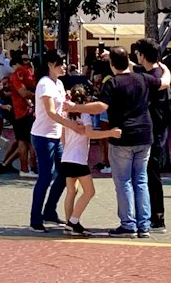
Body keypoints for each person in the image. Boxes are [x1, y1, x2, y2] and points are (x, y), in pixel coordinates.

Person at [78, 46, 168, 239]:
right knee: (141, 180)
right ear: (129, 61)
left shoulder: (113, 83)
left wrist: (76, 107)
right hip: (145, 135)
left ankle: (128, 224)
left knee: (124, 182)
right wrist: (165, 68)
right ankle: (144, 224)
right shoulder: (143, 78)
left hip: (122, 137)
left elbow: (101, 106)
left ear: (112, 65)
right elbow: (164, 83)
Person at [51, 82, 122, 234]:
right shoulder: (85, 115)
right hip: (78, 159)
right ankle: (74, 221)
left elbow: (63, 139)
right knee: (89, 192)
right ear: (85, 100)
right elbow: (90, 134)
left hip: (67, 157)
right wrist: (110, 133)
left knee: (71, 191)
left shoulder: (66, 115)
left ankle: (69, 224)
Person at [133, 39, 171, 231]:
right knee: (150, 173)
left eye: (138, 53)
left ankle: (157, 216)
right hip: (159, 129)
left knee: (151, 173)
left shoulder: (150, 78)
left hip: (153, 131)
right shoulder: (156, 72)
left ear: (142, 55)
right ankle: (154, 215)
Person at [29, 52, 68, 231]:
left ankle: (50, 210)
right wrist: (70, 125)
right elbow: (51, 112)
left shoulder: (58, 83)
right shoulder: (45, 84)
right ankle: (35, 219)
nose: (64, 66)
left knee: (65, 173)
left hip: (56, 135)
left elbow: (62, 109)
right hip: (43, 136)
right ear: (51, 64)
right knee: (46, 176)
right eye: (61, 63)